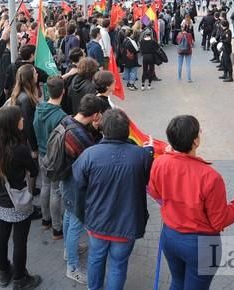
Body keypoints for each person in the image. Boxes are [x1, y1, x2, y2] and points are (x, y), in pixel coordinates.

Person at [148, 115, 234, 290]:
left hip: (170, 236)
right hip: (201, 244)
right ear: (195, 141)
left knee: (177, 282)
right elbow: (219, 221)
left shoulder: (160, 163)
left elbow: (156, 192)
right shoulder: (210, 176)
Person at [73, 109, 153, 290]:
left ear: (103, 130)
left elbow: (79, 183)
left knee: (95, 258)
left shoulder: (90, 154)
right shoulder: (141, 156)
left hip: (97, 222)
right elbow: (148, 179)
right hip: (127, 225)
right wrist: (148, 152)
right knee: (118, 265)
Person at [0, 106, 42, 289]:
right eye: (20, 118)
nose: (23, 120)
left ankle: (3, 272)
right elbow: (34, 170)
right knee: (20, 241)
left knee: (2, 236)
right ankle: (20, 279)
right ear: (12, 124)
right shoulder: (19, 149)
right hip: (17, 201)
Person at [56, 94, 106, 285]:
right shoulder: (80, 136)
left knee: (69, 216)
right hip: (76, 185)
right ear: (95, 115)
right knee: (76, 222)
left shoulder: (68, 120)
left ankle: (69, 252)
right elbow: (91, 158)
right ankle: (73, 267)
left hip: (66, 179)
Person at [32, 77, 67, 240]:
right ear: (63, 92)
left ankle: (45, 220)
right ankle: (57, 228)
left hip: (42, 153)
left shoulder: (38, 108)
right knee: (56, 190)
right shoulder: (61, 116)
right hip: (55, 158)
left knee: (45, 186)